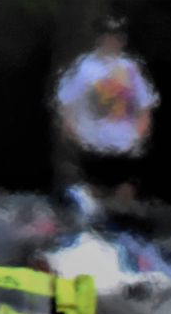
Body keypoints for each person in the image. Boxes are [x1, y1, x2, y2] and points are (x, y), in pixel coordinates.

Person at [54, 12, 157, 202]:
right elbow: (65, 103)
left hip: (125, 146)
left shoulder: (131, 68)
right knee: (94, 197)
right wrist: (76, 136)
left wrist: (139, 136)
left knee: (124, 196)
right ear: (100, 38)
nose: (113, 41)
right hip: (93, 146)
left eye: (117, 36)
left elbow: (145, 105)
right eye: (108, 35)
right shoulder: (84, 67)